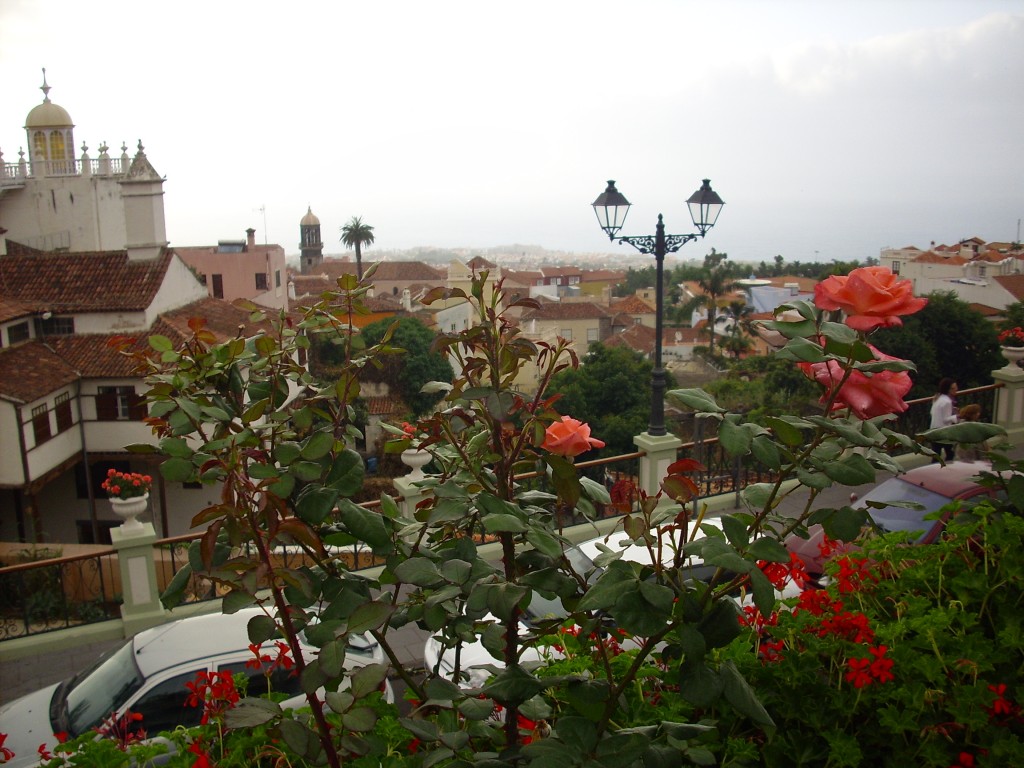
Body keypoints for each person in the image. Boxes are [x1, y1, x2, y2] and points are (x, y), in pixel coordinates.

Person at [929, 378, 958, 461]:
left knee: (936, 455)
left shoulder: (938, 398)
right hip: (943, 432)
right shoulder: (947, 402)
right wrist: (957, 416)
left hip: (934, 430)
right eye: (953, 388)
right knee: (950, 453)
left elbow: (932, 412)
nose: (956, 389)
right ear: (948, 390)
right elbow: (945, 419)